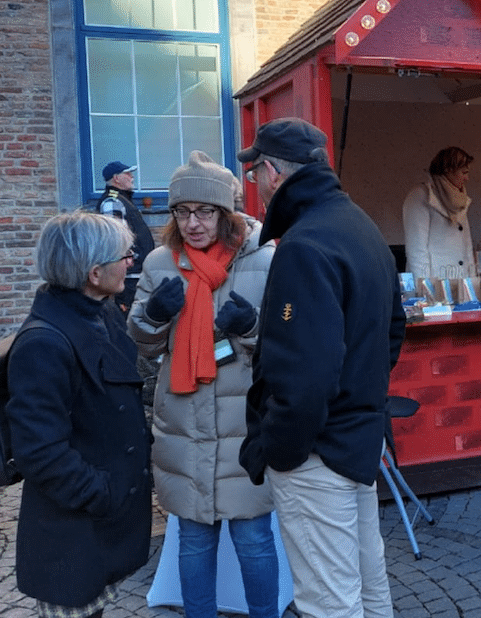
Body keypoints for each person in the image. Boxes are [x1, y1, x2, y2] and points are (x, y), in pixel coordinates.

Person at [237, 117, 406, 618]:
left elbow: (303, 377)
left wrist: (282, 450)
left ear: (270, 172)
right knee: (369, 590)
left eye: (254, 175)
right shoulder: (360, 225)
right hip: (356, 439)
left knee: (329, 603)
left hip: (319, 453)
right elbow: (393, 330)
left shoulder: (305, 244)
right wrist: (360, 400)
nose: (256, 187)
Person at [127, 151, 278, 618]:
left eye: (204, 211)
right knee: (193, 537)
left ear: (225, 212)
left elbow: (288, 342)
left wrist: (251, 327)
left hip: (243, 422)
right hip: (185, 421)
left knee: (252, 536)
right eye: (182, 211)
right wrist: (153, 318)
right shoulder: (159, 263)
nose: (192, 223)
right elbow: (142, 343)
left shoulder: (264, 259)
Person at [6, 211, 151, 617]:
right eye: (124, 255)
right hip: (72, 532)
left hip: (99, 528)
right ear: (93, 272)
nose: (131, 262)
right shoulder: (44, 343)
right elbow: (39, 452)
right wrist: (102, 493)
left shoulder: (99, 314)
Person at [402, 146, 475, 278]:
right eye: (464, 173)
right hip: (435, 283)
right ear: (448, 170)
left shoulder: (460, 199)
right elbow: (416, 251)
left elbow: (467, 246)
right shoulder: (421, 196)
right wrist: (425, 289)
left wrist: (472, 282)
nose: (467, 178)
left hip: (460, 281)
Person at [97, 161, 155, 315]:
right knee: (129, 321)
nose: (132, 177)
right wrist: (128, 259)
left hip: (134, 275)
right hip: (128, 277)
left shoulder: (122, 200)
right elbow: (115, 239)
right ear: (116, 178)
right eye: (128, 173)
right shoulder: (112, 202)